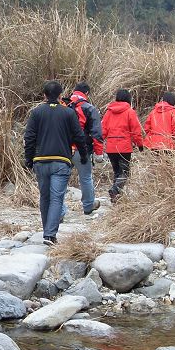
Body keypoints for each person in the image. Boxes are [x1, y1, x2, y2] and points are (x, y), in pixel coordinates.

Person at [24, 80, 88, 246]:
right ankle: (50, 235)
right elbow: (79, 136)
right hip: (61, 161)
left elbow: (29, 137)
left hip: (40, 161)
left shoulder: (36, 112)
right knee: (56, 198)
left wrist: (28, 159)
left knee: (45, 197)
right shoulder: (68, 113)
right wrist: (84, 155)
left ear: (44, 95)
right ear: (61, 96)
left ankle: (48, 231)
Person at [62, 82, 103, 216]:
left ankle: (60, 209)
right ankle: (88, 207)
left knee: (61, 179)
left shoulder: (64, 106)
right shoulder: (89, 108)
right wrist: (98, 153)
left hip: (64, 150)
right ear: (86, 93)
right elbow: (96, 133)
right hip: (82, 150)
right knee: (85, 178)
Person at [101, 89, 143, 202]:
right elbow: (136, 130)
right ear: (128, 98)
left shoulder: (108, 112)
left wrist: (99, 143)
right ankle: (115, 190)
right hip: (124, 147)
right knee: (125, 173)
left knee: (117, 172)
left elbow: (103, 131)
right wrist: (140, 144)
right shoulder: (130, 112)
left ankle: (116, 198)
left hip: (110, 147)